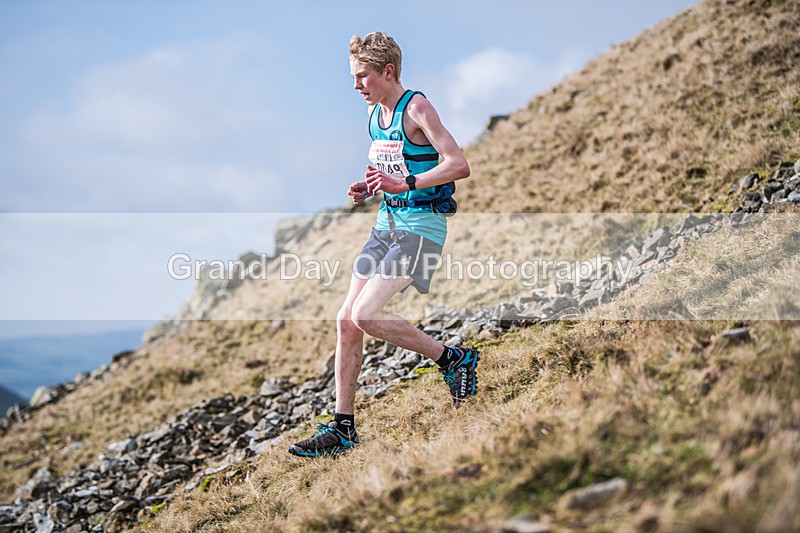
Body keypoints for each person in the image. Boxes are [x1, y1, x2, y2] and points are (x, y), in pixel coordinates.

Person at [289, 32, 478, 458]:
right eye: (353, 77)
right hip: (385, 225)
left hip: (421, 229)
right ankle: (343, 429)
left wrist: (405, 183)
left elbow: (458, 164)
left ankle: (454, 359)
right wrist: (370, 185)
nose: (356, 85)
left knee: (366, 314)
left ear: (387, 71)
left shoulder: (416, 107)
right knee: (346, 320)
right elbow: (387, 165)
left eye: (362, 76)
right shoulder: (375, 114)